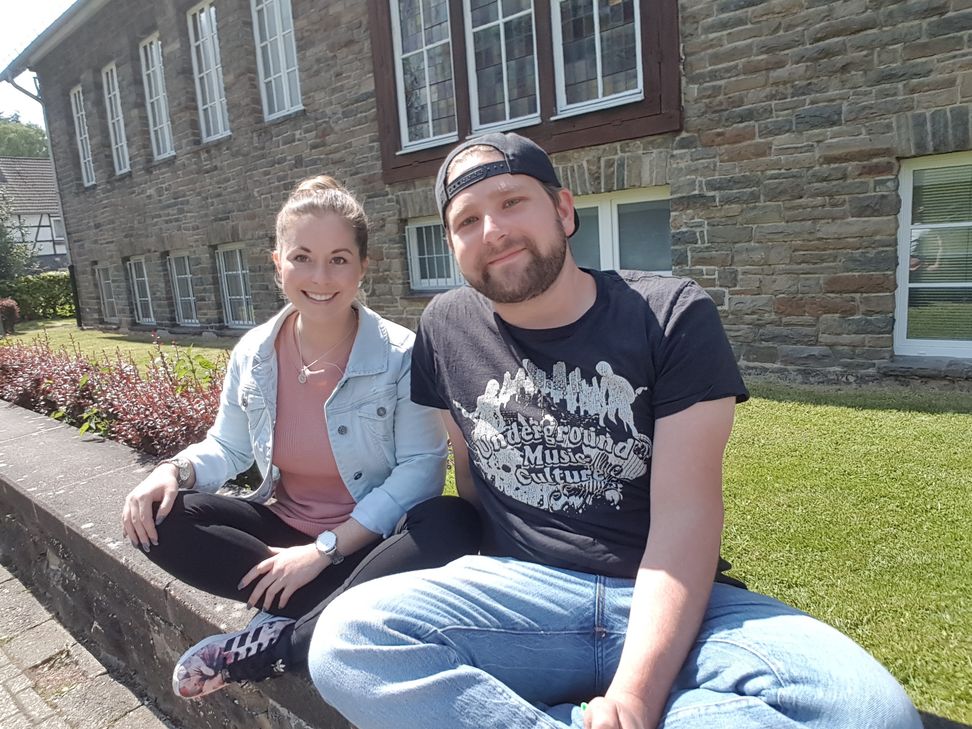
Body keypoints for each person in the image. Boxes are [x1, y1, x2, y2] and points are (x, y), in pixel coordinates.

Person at [306, 133, 922, 729]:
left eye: (512, 201)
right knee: (347, 641)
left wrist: (634, 694)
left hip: (664, 594)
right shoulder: (445, 326)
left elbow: (688, 517)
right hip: (521, 598)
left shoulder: (670, 314)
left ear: (564, 210)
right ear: (451, 245)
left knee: (866, 709)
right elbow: (471, 476)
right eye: (466, 221)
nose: (492, 231)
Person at [121, 176, 480, 700]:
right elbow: (229, 447)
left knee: (452, 521)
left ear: (362, 266)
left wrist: (324, 551)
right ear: (277, 263)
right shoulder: (254, 352)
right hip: (282, 534)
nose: (320, 277)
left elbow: (422, 470)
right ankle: (339, 609)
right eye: (302, 258)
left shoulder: (401, 354)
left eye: (338, 259)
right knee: (158, 517)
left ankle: (282, 639)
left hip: (369, 544)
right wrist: (170, 471)